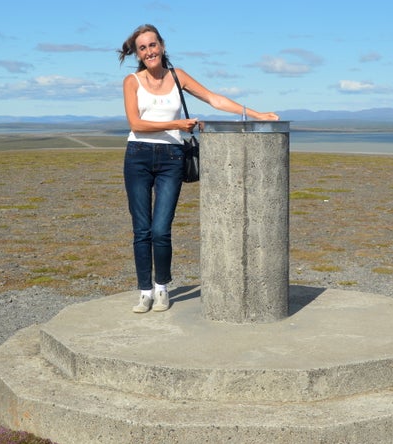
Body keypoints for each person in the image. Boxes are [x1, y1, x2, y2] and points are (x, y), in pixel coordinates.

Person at [118, 24, 279, 313]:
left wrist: (256, 114)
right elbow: (136, 124)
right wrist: (177, 125)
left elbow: (214, 99)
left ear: (162, 46)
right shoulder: (132, 81)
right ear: (138, 54)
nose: (149, 51)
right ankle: (144, 291)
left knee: (161, 229)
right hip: (138, 156)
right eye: (143, 48)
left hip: (172, 158)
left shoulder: (178, 76)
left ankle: (162, 287)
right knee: (141, 229)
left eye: (153, 45)